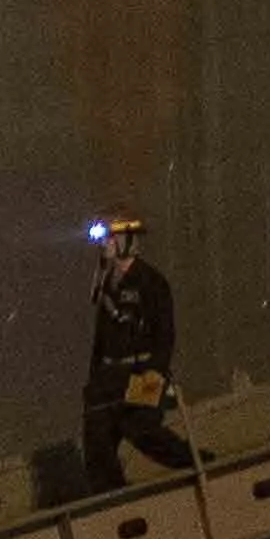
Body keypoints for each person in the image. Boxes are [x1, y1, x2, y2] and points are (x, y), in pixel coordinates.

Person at [78, 205, 192, 483]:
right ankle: (110, 504)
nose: (104, 244)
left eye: (109, 237)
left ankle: (202, 466)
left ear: (126, 239)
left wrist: (155, 374)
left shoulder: (151, 283)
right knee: (97, 444)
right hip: (109, 379)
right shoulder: (107, 284)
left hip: (140, 373)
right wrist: (94, 381)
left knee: (142, 428)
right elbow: (101, 339)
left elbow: (164, 335)